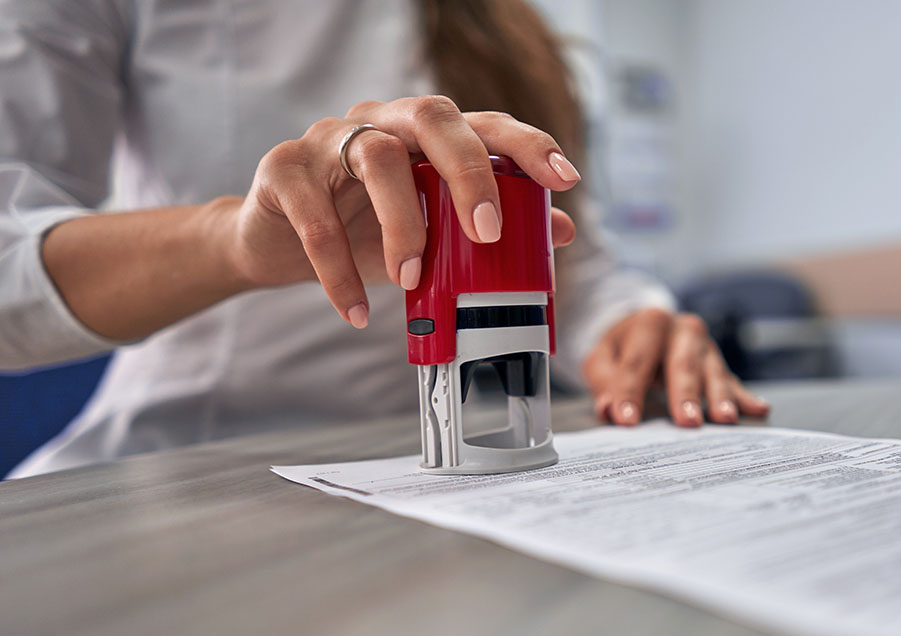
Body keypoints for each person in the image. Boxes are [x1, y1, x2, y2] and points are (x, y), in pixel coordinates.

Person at [0, 0, 769, 478]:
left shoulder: (502, 24)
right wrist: (232, 241)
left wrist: (628, 325)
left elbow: (571, 257)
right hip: (194, 461)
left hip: (448, 469)